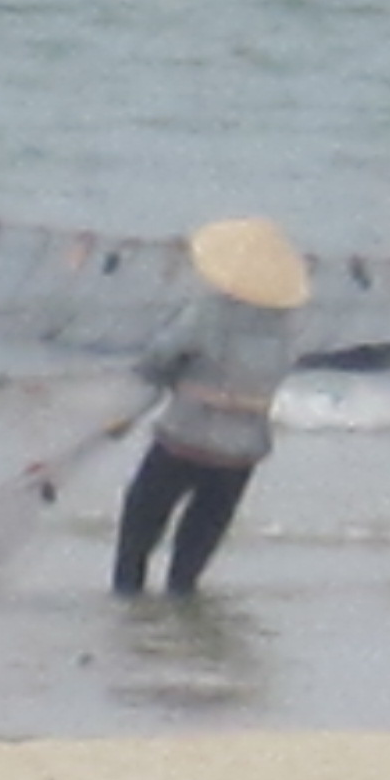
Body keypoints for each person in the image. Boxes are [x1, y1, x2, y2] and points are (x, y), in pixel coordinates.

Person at [113, 216, 307, 597]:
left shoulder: (207, 311)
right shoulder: (289, 328)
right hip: (241, 453)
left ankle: (129, 607)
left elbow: (159, 358)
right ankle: (181, 605)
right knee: (197, 544)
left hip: (184, 438)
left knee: (139, 528)